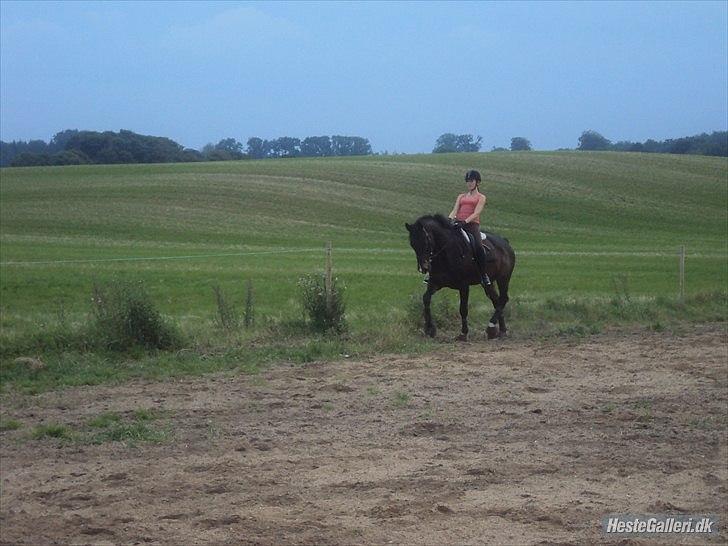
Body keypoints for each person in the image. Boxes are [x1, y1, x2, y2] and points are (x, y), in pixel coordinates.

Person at [448, 169, 491, 287]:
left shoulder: (481, 197)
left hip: (472, 225)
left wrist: (465, 222)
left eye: (471, 181)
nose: (469, 183)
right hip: (458, 223)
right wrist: (450, 219)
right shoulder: (461, 196)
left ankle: (483, 274)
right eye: (467, 181)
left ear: (477, 182)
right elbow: (455, 210)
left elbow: (477, 212)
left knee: (478, 246)